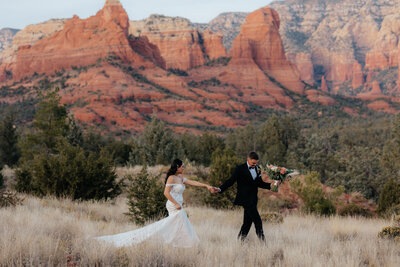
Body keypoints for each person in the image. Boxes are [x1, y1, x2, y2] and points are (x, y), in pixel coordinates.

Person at [95, 159, 215, 248]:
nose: (184, 168)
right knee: (180, 223)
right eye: (182, 166)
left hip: (179, 205)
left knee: (177, 224)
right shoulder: (171, 178)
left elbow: (192, 182)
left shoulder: (180, 178)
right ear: (177, 167)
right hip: (174, 205)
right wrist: (176, 203)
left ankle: (178, 244)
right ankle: (190, 244)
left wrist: (206, 186)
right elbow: (166, 193)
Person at [214, 151, 279, 241]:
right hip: (244, 199)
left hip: (253, 199)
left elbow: (259, 183)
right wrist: (220, 189)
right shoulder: (240, 169)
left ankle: (240, 241)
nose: (254, 165)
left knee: (247, 223)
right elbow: (231, 181)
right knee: (257, 220)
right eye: (253, 163)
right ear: (248, 159)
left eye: (256, 163)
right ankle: (263, 243)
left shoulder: (258, 169)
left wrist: (271, 185)